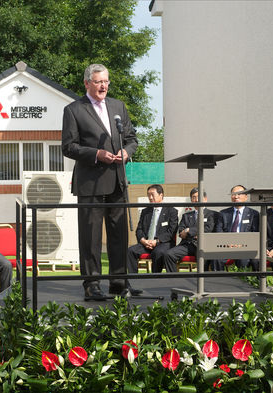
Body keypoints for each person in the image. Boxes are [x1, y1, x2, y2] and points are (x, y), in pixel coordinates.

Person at [61, 63, 138, 300]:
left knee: (119, 235)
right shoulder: (74, 109)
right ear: (87, 83)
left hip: (117, 179)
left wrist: (126, 152)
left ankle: (118, 282)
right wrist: (96, 154)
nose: (103, 86)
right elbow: (68, 146)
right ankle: (92, 284)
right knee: (91, 236)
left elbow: (131, 138)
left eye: (106, 81)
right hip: (90, 181)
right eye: (98, 82)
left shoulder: (118, 106)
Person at [126, 185, 178, 292]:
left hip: (163, 243)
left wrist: (157, 241)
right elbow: (139, 229)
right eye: (148, 195)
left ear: (161, 195)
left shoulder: (171, 211)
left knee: (158, 253)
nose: (150, 198)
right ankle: (133, 281)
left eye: (152, 195)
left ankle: (155, 281)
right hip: (146, 242)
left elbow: (171, 231)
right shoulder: (146, 211)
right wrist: (143, 241)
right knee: (130, 251)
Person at [161, 188, 222, 273]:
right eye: (193, 197)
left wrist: (189, 230)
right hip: (187, 244)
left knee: (202, 258)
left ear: (205, 199)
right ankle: (174, 280)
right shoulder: (186, 215)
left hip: (203, 244)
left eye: (198, 197)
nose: (196, 199)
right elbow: (181, 231)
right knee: (168, 254)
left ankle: (203, 282)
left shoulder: (213, 214)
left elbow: (208, 229)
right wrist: (190, 232)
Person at [219, 185, 259, 270]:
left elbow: (255, 234)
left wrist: (242, 244)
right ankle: (218, 281)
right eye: (233, 194)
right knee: (216, 259)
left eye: (239, 194)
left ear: (246, 197)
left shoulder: (253, 214)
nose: (236, 196)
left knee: (243, 260)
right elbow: (219, 231)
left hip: (244, 247)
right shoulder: (223, 213)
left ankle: (243, 282)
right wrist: (227, 243)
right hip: (226, 246)